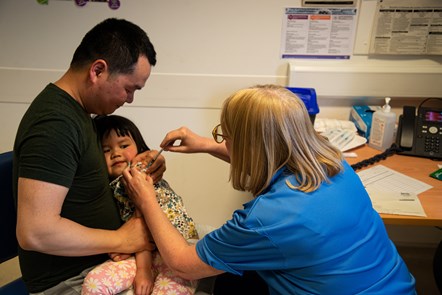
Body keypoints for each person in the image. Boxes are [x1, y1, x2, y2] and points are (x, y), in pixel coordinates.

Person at [122, 84, 417, 295]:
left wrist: (146, 199)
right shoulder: (332, 160)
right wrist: (205, 144)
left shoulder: (267, 219)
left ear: (252, 146)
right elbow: (273, 158)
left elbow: (182, 264)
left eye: (225, 136)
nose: (223, 142)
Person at [13, 18, 165, 294]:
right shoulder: (55, 124)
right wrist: (121, 240)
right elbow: (35, 231)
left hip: (105, 263)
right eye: (129, 88)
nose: (129, 99)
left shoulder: (81, 114)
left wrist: (145, 163)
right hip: (72, 281)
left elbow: (89, 177)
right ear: (98, 70)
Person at [81, 115, 198, 295]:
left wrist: (144, 272)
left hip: (177, 250)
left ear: (139, 147)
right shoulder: (112, 184)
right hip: (143, 254)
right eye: (105, 149)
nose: (115, 153)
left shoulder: (136, 178)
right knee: (94, 283)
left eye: (124, 145)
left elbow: (142, 226)